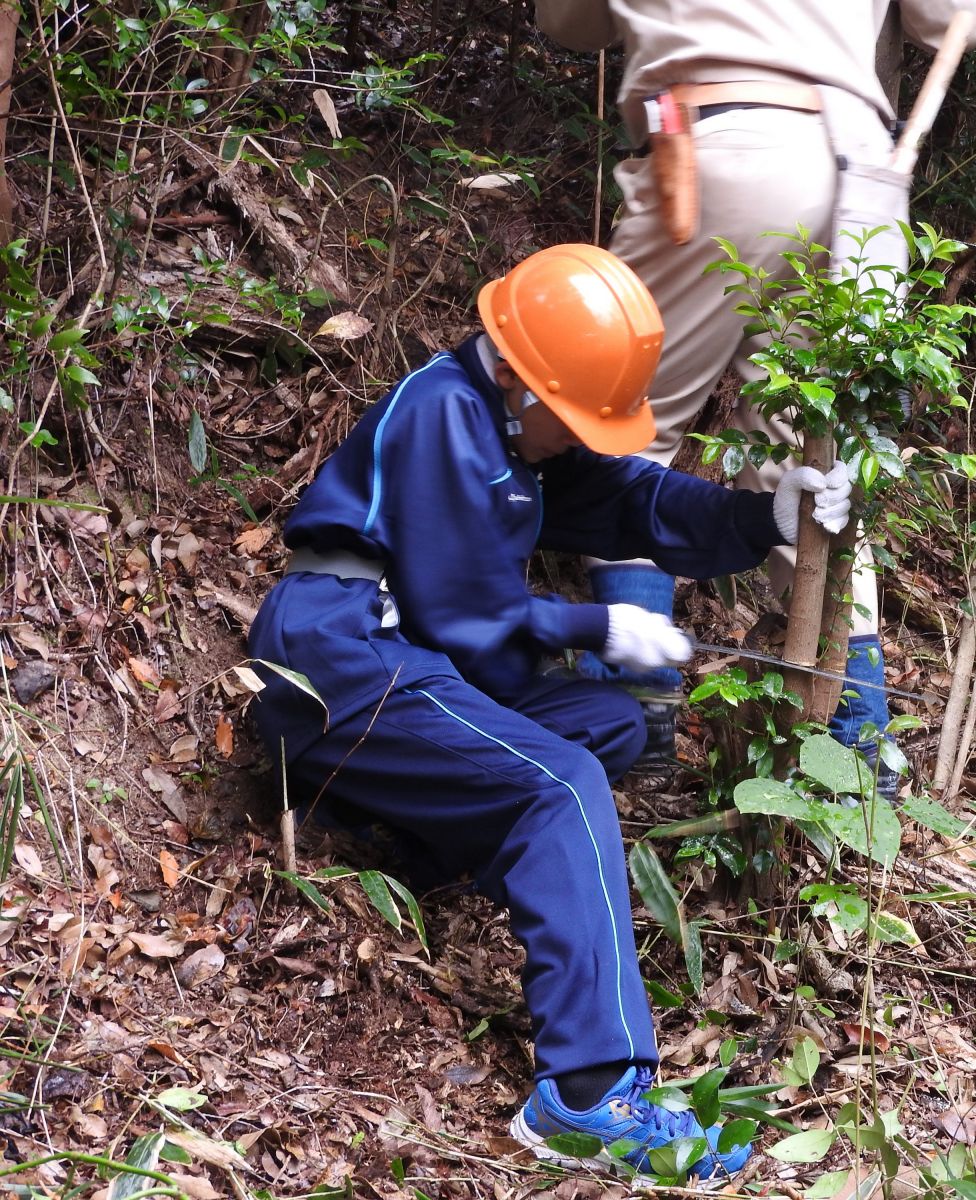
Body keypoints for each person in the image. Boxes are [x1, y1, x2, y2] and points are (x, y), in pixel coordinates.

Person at [247, 245, 854, 1181]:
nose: (577, 437)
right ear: (521, 380)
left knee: (609, 727)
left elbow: (634, 501)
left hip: (414, 662)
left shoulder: (518, 432)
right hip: (342, 660)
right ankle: (586, 1095)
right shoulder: (446, 414)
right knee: (561, 786)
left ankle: (407, 836)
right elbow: (465, 612)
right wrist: (597, 622)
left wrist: (759, 520)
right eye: (570, 418)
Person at [534, 0, 976, 784]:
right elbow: (958, 20)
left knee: (627, 427)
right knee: (816, 464)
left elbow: (567, 23)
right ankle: (853, 745)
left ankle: (634, 705)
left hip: (715, 140)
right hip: (861, 171)